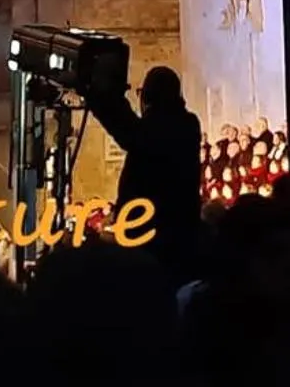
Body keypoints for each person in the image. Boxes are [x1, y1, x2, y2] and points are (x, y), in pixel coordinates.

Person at [87, 65, 203, 281]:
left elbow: (127, 130)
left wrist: (101, 94)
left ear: (148, 96)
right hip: (176, 234)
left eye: (141, 93)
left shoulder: (170, 127)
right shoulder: (186, 124)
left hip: (154, 237)